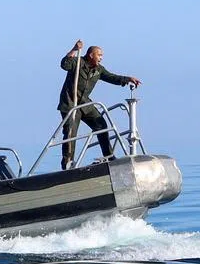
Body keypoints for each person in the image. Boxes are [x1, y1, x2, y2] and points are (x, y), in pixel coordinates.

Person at [57, 40, 141, 170]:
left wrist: (127, 79)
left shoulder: (98, 69)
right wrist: (74, 49)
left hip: (85, 103)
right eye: (99, 55)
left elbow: (111, 77)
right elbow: (64, 64)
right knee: (70, 133)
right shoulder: (77, 62)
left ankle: (108, 156)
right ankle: (67, 164)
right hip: (70, 104)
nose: (101, 58)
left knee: (101, 125)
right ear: (91, 55)